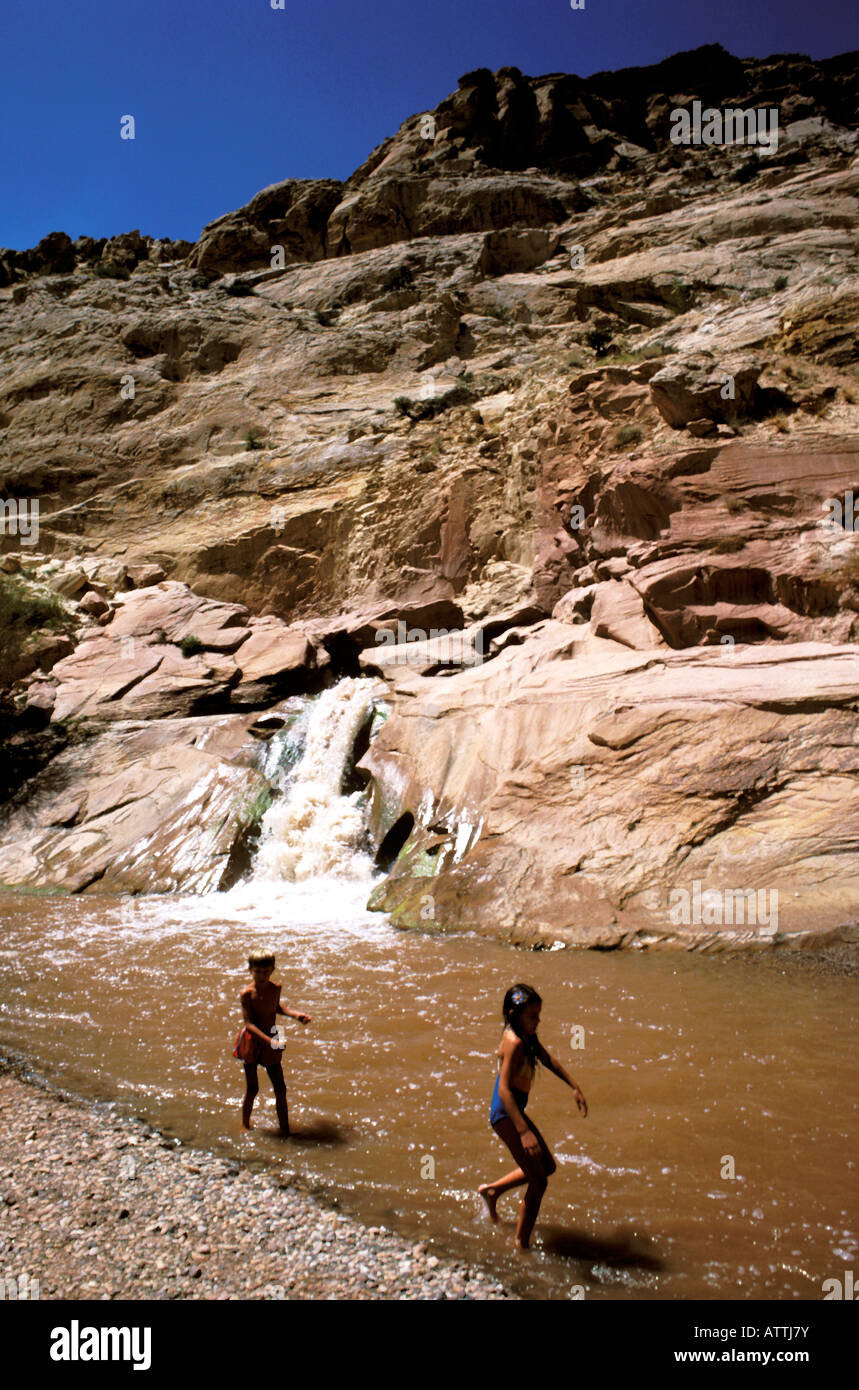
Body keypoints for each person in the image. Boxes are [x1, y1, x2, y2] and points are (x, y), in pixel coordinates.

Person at [478, 983, 588, 1249]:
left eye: (539, 1014)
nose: (538, 1021)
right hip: (506, 1114)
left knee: (547, 1168)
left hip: (515, 1112)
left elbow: (547, 1058)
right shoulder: (514, 1042)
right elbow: (504, 1090)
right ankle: (521, 1246)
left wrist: (574, 1085)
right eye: (533, 1016)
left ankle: (492, 1192)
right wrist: (524, 1131)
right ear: (514, 1015)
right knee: (538, 1181)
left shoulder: (527, 1035)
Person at [234, 950, 311, 1136]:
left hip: (272, 1035)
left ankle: (285, 1129)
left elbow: (277, 1008)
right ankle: (245, 1125)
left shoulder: (276, 987)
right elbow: (249, 1024)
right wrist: (269, 1041)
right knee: (253, 1088)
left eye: (266, 971)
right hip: (252, 1040)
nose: (262, 975)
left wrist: (296, 1015)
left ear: (273, 970)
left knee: (280, 1088)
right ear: (250, 970)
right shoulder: (246, 993)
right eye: (257, 971)